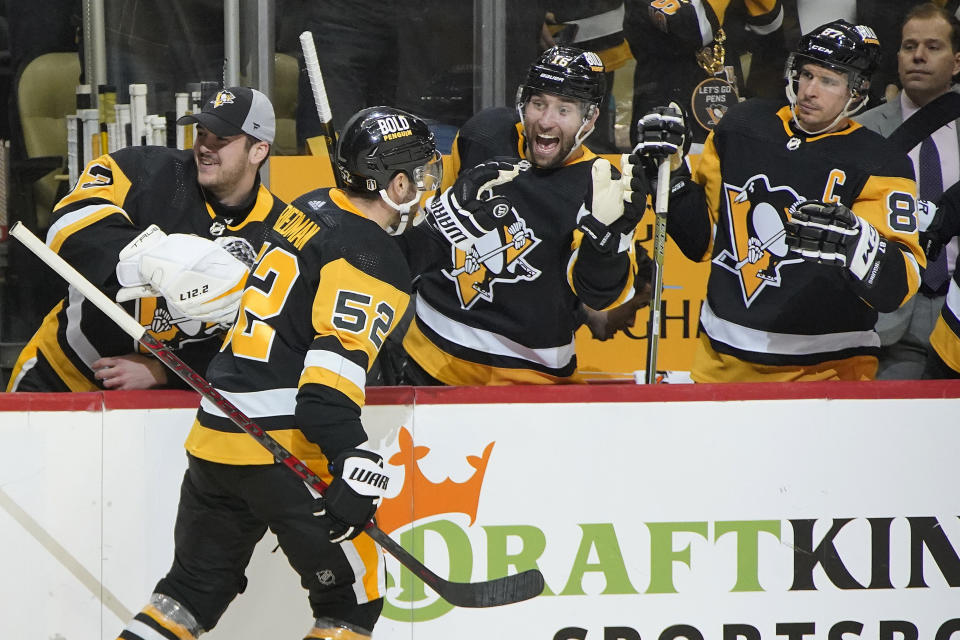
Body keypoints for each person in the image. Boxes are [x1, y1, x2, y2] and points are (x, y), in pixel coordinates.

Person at [113, 107, 442, 640]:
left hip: (217, 436)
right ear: (395, 182)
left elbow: (340, 254)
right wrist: (353, 461)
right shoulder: (372, 261)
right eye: (421, 175)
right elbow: (323, 393)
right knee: (350, 606)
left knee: (187, 595)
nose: (426, 187)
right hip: (281, 445)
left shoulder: (308, 205)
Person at [636, 19, 925, 382]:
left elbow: (898, 287)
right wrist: (671, 175)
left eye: (828, 81)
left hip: (828, 373)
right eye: (806, 74)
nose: (809, 91)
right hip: (721, 366)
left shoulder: (881, 162)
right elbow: (701, 241)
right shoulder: (741, 126)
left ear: (858, 90)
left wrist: (857, 244)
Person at [396, 45, 646, 385]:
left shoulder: (600, 184)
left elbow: (599, 297)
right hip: (427, 356)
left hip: (530, 381)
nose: (545, 121)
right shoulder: (484, 134)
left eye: (564, 109)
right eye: (538, 103)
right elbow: (427, 242)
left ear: (590, 119)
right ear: (523, 102)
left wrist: (607, 242)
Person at [6, 86, 283, 392]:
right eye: (202, 133)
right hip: (63, 370)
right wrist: (152, 258)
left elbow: (270, 347)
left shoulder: (281, 233)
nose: (205, 147)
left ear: (259, 150)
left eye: (222, 140)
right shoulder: (144, 170)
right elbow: (67, 223)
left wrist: (167, 371)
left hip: (174, 395)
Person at [856, 3, 960, 379]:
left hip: (956, 301)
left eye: (933, 47)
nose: (918, 56)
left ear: (957, 61)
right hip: (890, 318)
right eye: (908, 46)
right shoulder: (860, 132)